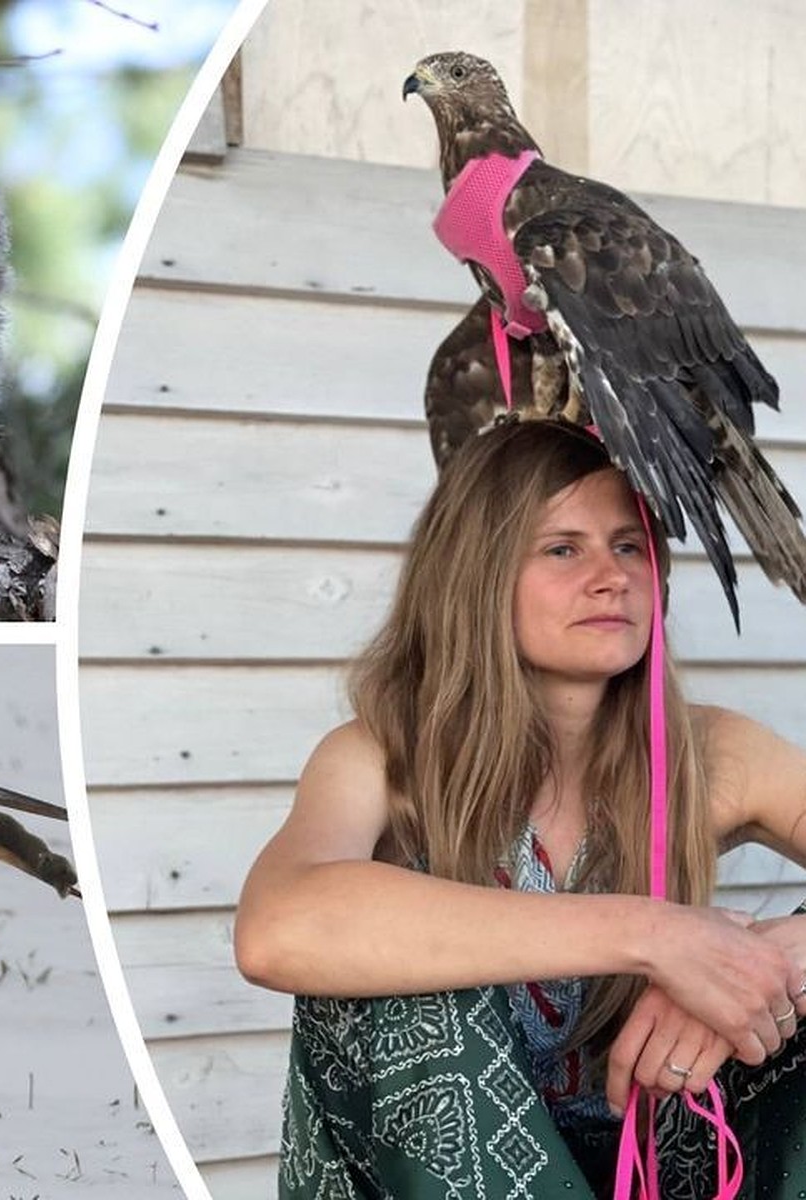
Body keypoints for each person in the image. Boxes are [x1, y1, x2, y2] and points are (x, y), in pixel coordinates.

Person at [234, 419, 806, 1199]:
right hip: (434, 1176)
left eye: (629, 545)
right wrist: (655, 935)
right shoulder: (384, 758)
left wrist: (771, 963)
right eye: (563, 548)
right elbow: (277, 930)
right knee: (402, 983)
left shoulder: (711, 755)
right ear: (477, 575)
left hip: (649, 1163)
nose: (611, 577)